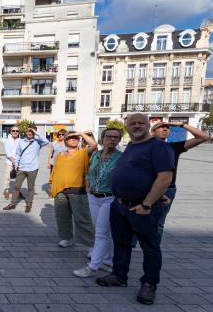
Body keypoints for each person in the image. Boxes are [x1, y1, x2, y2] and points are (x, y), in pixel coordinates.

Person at [96, 113, 174, 305]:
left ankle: (149, 284)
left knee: (150, 247)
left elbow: (164, 177)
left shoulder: (159, 147)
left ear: (149, 125)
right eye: (132, 123)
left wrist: (148, 203)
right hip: (120, 205)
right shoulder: (131, 146)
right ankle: (119, 275)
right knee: (121, 243)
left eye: (141, 123)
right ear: (127, 127)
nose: (137, 126)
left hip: (143, 208)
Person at [72, 128, 122, 278]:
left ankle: (92, 267)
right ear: (102, 138)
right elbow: (90, 172)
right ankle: (107, 261)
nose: (112, 139)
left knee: (101, 233)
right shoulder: (96, 154)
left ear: (119, 140)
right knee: (103, 231)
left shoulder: (121, 157)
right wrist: (88, 186)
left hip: (109, 197)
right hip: (94, 197)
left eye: (115, 137)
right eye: (109, 136)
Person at [150, 121, 209, 240]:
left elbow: (204, 137)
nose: (165, 129)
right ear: (152, 132)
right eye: (161, 127)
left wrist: (181, 125)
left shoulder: (174, 147)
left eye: (167, 127)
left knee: (158, 223)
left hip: (168, 190)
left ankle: (153, 250)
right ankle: (130, 248)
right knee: (137, 219)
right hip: (147, 188)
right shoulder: (144, 148)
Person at [50, 131, 97, 248]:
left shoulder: (83, 152)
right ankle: (67, 238)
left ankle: (91, 245)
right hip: (60, 190)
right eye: (71, 138)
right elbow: (55, 172)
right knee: (62, 217)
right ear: (65, 141)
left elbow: (94, 145)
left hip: (77, 190)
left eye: (76, 138)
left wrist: (81, 133)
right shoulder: (59, 155)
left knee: (82, 219)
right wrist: (53, 188)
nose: (74, 139)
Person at [3, 126, 49, 213]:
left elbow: (46, 141)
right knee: (16, 187)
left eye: (32, 131)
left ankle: (28, 205)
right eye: (28, 131)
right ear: (26, 132)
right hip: (22, 168)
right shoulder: (21, 141)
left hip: (33, 168)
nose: (30, 133)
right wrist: (16, 165)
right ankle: (13, 204)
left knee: (30, 188)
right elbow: (18, 154)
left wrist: (36, 133)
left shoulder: (38, 142)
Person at [2, 126, 20, 200]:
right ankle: (6, 191)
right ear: (10, 132)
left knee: (19, 178)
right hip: (9, 162)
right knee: (7, 177)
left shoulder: (21, 141)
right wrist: (12, 160)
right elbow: (7, 152)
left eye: (17, 131)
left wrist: (17, 161)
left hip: (19, 162)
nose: (15, 132)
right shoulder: (7, 140)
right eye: (13, 131)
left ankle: (17, 192)